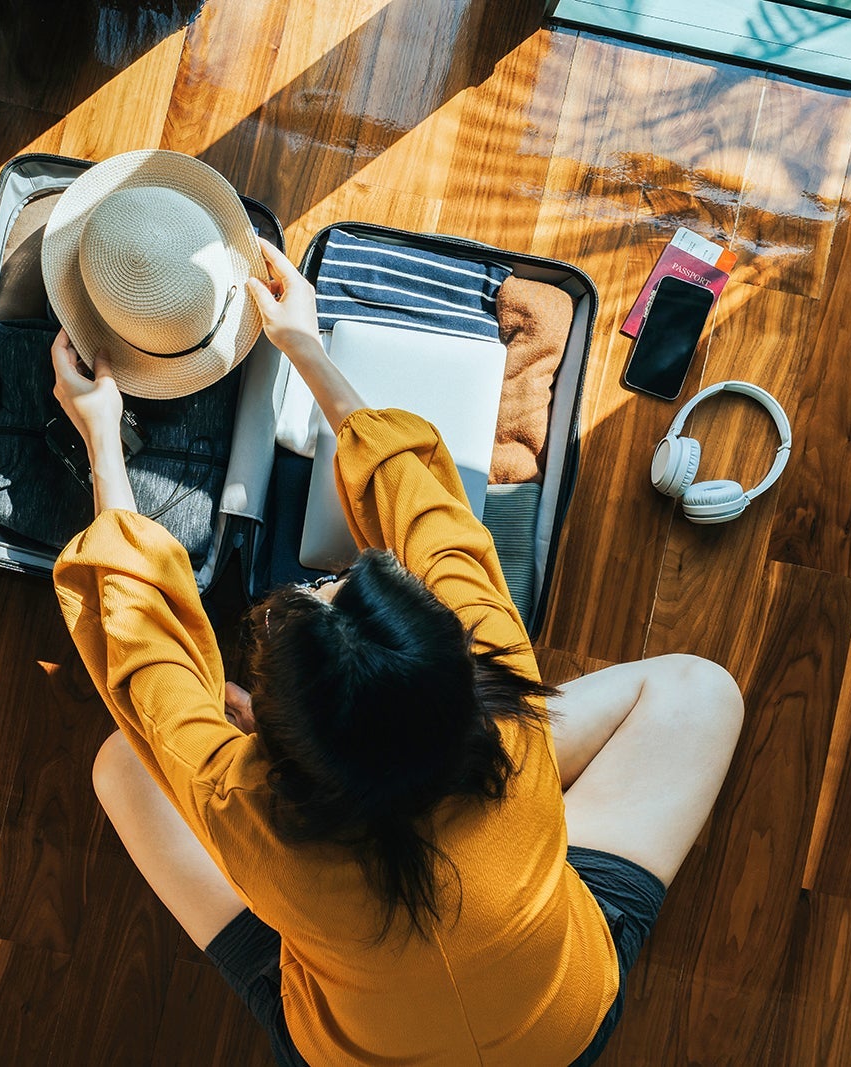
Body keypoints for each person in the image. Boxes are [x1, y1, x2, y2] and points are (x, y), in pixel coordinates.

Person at [50, 237, 745, 1065]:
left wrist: (101, 436)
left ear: (275, 761)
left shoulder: (246, 812)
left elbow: (143, 655)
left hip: (352, 1044)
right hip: (561, 1028)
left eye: (321, 591)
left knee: (125, 765)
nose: (331, 578)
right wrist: (306, 346)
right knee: (704, 692)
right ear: (463, 675)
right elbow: (427, 509)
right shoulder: (502, 676)